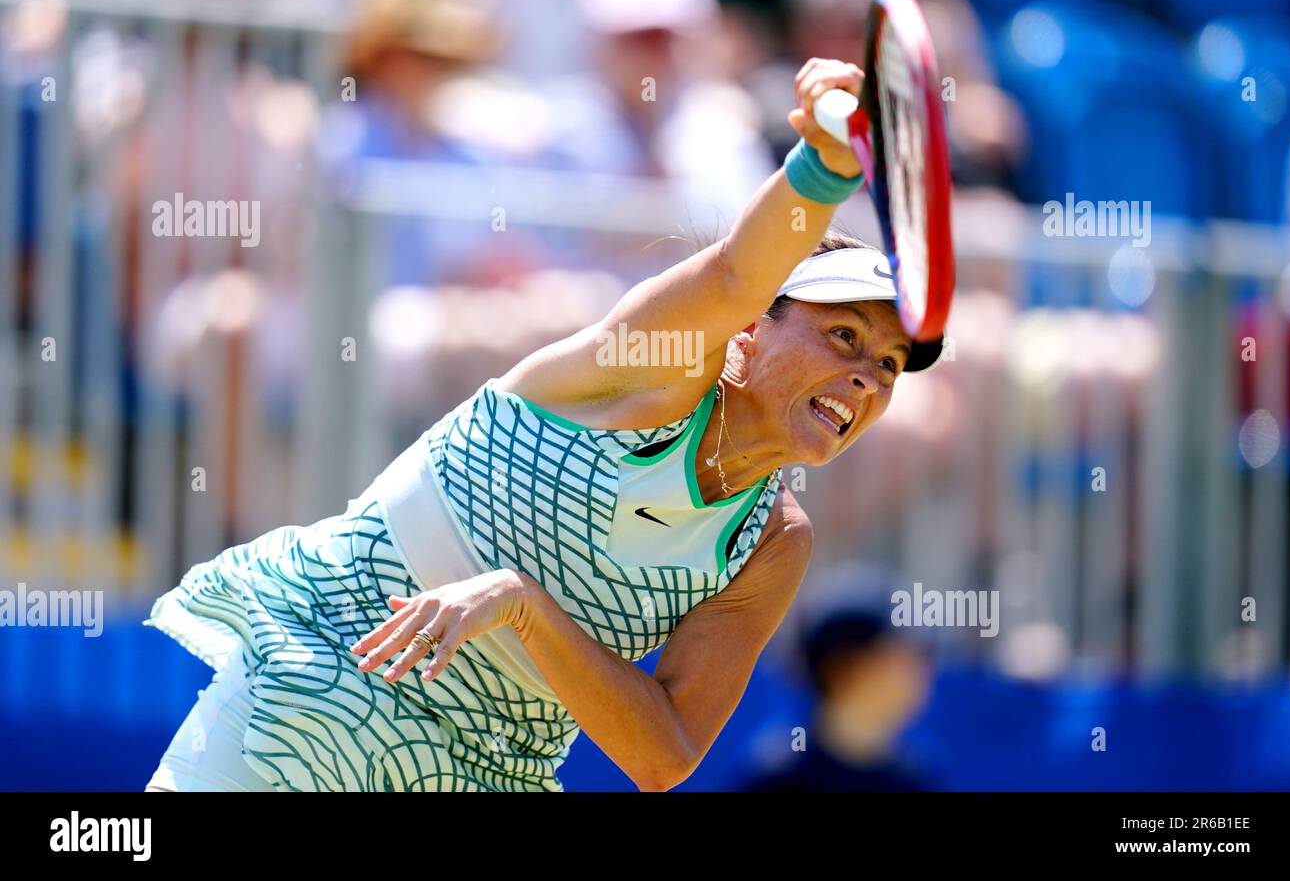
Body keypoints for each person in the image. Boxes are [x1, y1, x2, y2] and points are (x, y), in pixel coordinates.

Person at [143, 57, 945, 792]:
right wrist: (826, 165)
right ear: (747, 332)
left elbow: (663, 752)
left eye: (887, 364)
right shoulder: (652, 370)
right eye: (843, 335)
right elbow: (739, 271)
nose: (865, 377)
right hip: (303, 700)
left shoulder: (773, 541)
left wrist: (523, 604)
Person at [741, 595, 935, 791]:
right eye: (898, 660)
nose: (918, 674)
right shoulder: (778, 780)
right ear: (843, 666)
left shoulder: (914, 781)